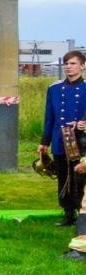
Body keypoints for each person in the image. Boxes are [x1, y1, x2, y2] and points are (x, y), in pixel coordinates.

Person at [39, 50, 86, 227]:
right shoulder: (55, 88)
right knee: (63, 176)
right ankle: (68, 212)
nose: (68, 67)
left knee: (80, 177)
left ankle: (82, 211)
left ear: (82, 65)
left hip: (81, 142)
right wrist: (44, 142)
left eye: (72, 63)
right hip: (60, 140)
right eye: (66, 63)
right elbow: (49, 117)